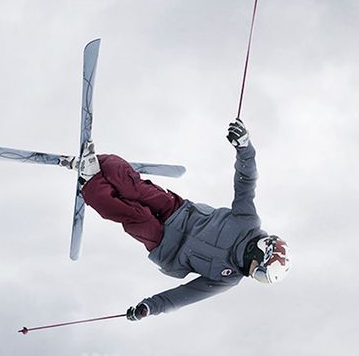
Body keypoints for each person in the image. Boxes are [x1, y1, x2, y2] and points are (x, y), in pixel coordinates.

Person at [77, 119, 290, 322]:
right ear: (261, 250)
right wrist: (245, 148)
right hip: (180, 212)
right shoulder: (247, 222)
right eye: (260, 273)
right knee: (134, 189)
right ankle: (98, 164)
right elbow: (246, 183)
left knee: (137, 216)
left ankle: (90, 183)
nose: (253, 276)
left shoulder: (228, 277)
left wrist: (150, 307)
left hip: (167, 248)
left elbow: (186, 295)